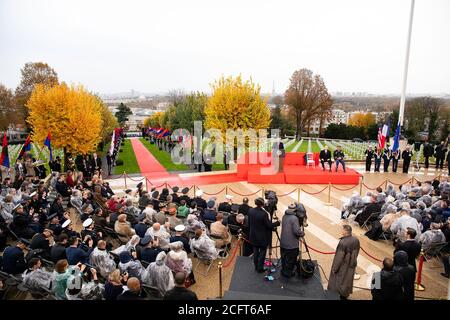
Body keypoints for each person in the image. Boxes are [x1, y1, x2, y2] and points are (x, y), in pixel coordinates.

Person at [247, 197, 280, 272]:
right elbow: (269, 225)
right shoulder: (264, 214)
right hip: (262, 237)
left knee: (255, 251)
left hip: (253, 235)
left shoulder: (251, 210)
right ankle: (260, 268)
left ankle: (256, 266)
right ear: (262, 204)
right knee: (262, 252)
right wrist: (277, 223)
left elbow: (249, 223)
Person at [327, 225, 360, 300]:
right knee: (347, 280)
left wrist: (335, 269)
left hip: (343, 265)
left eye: (342, 229)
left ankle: (336, 295)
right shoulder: (356, 240)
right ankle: (345, 294)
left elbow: (339, 258)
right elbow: (357, 252)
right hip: (351, 264)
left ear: (345, 231)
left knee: (339, 280)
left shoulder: (343, 242)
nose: (341, 230)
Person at [280, 204, 305, 278]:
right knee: (291, 260)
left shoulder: (284, 216)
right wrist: (302, 233)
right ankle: (288, 273)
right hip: (291, 244)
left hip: (283, 242)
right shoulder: (294, 218)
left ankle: (284, 271)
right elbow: (296, 231)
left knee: (284, 259)